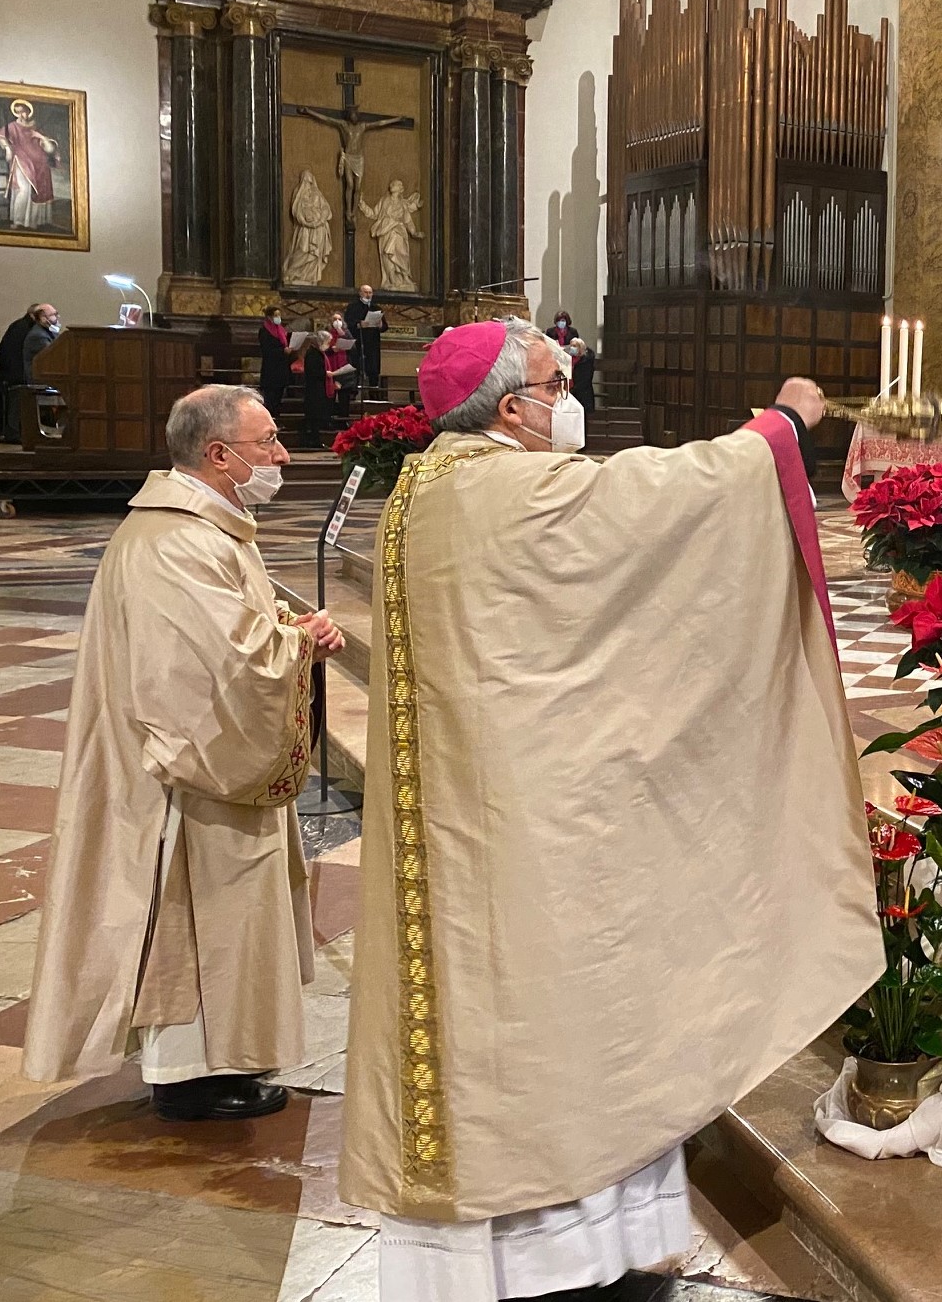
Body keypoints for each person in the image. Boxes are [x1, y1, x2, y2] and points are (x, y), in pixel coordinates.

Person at [337, 320, 880, 1302]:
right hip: (532, 836)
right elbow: (673, 499)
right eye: (555, 381)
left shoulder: (419, 491)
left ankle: (508, 1264)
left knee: (484, 1044)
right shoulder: (518, 493)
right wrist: (783, 429)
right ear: (510, 407)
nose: (566, 395)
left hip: (471, 827)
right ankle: (575, 1267)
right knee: (569, 1042)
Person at [21, 385, 345, 1120]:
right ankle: (195, 1077)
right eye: (267, 443)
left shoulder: (203, 529)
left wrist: (285, 628)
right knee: (191, 915)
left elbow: (224, 636)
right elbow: (213, 675)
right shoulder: (180, 541)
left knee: (214, 916)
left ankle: (215, 1063)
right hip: (186, 778)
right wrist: (295, 645)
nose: (282, 455)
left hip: (189, 760)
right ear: (219, 454)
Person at [0, 99, 60, 229]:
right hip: (22, 160)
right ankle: (18, 221)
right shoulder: (12, 126)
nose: (21, 115)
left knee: (39, 191)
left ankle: (32, 221)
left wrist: (43, 138)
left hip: (40, 164)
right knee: (24, 190)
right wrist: (7, 148)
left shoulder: (35, 127)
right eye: (18, 112)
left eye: (23, 112)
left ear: (28, 112)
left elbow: (49, 148)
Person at [0, 304, 43, 441]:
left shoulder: (17, 326)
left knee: (15, 405)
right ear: (34, 315)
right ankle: (15, 435)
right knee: (17, 406)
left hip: (11, 371)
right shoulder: (30, 330)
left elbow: (3, 349)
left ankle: (14, 433)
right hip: (20, 373)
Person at [298, 329, 339, 440]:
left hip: (318, 389)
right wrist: (325, 373)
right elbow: (313, 372)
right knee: (313, 417)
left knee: (317, 417)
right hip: (314, 390)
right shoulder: (312, 353)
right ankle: (312, 440)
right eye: (327, 342)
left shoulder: (320, 353)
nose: (328, 345)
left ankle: (315, 439)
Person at [343, 285, 385, 394]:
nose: (368, 295)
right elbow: (348, 322)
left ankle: (373, 394)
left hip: (372, 343)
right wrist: (359, 324)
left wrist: (381, 325)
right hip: (358, 341)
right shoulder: (353, 307)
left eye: (370, 292)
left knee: (373, 368)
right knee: (357, 366)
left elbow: (385, 327)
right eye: (366, 292)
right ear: (360, 293)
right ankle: (353, 393)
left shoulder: (376, 308)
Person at [258, 306, 293, 422]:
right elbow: (266, 350)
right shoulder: (264, 331)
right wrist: (282, 351)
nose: (279, 318)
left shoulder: (281, 330)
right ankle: (269, 420)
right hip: (271, 369)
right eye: (276, 315)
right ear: (269, 317)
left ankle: (277, 420)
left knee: (278, 397)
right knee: (270, 397)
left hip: (281, 368)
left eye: (279, 315)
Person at [22, 303, 60, 383]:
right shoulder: (38, 336)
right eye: (53, 314)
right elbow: (54, 357)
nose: (57, 317)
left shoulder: (49, 331)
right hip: (40, 382)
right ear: (43, 318)